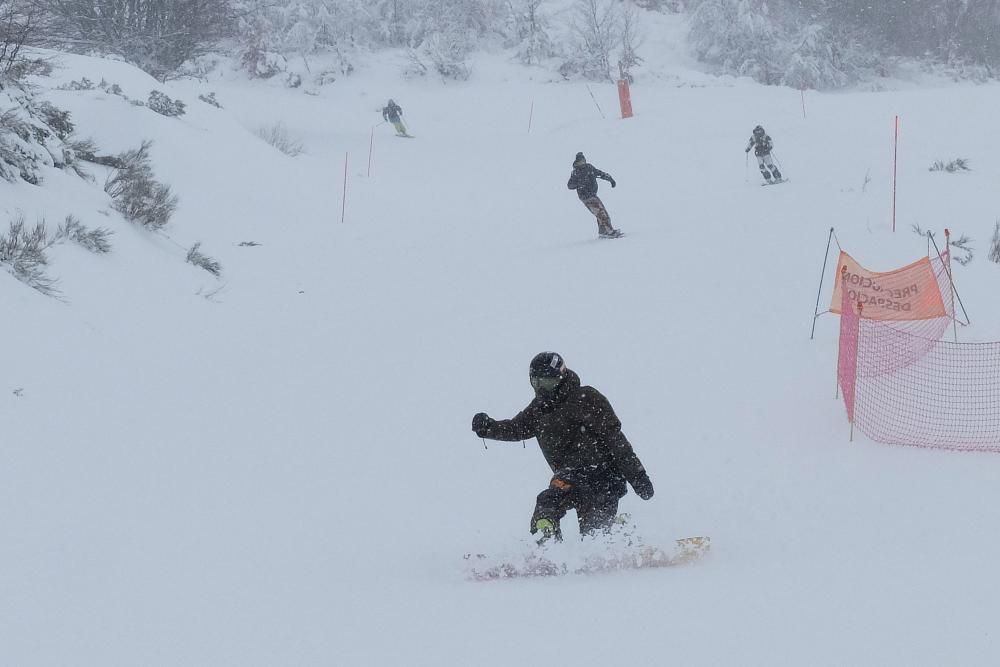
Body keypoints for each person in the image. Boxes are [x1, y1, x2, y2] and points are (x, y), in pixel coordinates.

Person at [471, 352, 654, 542]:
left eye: (547, 382)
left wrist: (638, 476)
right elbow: (516, 428)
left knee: (594, 536)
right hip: (568, 476)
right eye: (537, 382)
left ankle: (617, 534)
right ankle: (548, 547)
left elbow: (616, 440)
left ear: (561, 377)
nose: (542, 389)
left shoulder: (586, 399)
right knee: (547, 503)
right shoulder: (539, 409)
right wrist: (488, 428)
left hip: (602, 476)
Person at [567, 152, 622, 238]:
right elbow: (570, 185)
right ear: (576, 162)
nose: (582, 163)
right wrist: (579, 183)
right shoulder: (576, 172)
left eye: (583, 161)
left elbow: (599, 173)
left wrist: (610, 179)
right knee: (601, 213)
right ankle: (610, 232)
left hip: (593, 194)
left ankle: (603, 231)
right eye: (579, 162)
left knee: (600, 212)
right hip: (586, 197)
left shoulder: (589, 167)